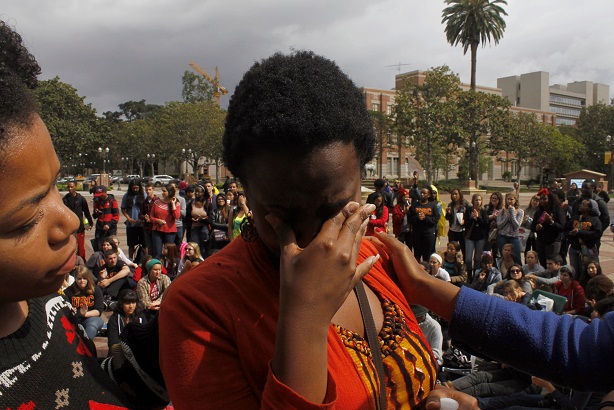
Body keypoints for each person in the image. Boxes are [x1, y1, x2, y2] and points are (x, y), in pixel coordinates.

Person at [159, 51, 469, 409]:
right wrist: (304, 317)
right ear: (245, 189)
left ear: (361, 179)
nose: (314, 241)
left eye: (335, 212)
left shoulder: (374, 257)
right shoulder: (200, 308)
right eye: (282, 217)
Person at [0, 20, 167, 408]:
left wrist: (151, 360)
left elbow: (90, 387)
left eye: (56, 186)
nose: (70, 221)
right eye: (25, 221)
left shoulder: (49, 303)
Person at [63, 266, 104, 340]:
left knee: (95, 322)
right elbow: (64, 309)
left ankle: (86, 345)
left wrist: (85, 314)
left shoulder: (96, 290)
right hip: (73, 319)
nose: (82, 281)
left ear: (88, 278)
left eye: (84, 278)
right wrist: (71, 311)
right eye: (79, 278)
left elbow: (99, 310)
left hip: (89, 318)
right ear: (75, 278)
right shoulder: (68, 291)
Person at [567, 198, 602, 281]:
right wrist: (570, 233)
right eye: (581, 204)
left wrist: (580, 232)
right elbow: (566, 229)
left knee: (586, 273)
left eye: (584, 205)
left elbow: (597, 234)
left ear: (589, 208)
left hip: (588, 250)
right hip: (574, 249)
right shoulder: (575, 218)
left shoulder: (595, 220)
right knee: (574, 273)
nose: (580, 206)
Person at [530, 188, 565, 269]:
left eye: (544, 199)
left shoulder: (557, 210)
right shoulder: (539, 211)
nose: (542, 201)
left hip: (553, 242)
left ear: (550, 199)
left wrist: (551, 222)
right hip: (541, 241)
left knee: (552, 264)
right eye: (541, 199)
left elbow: (562, 227)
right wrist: (536, 227)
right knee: (543, 264)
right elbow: (532, 227)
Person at [106, 288, 147, 353]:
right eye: (127, 303)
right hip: (119, 354)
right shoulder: (114, 319)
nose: (131, 306)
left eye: (133, 302)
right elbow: (112, 344)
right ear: (121, 304)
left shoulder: (140, 317)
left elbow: (146, 337)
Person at [62, 180, 93, 260]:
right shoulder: (65, 199)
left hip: (80, 227)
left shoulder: (81, 199)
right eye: (68, 187)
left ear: (75, 187)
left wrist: (90, 223)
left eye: (71, 187)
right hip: (69, 228)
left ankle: (82, 262)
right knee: (70, 247)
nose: (69, 188)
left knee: (81, 247)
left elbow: (86, 212)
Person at [149, 183, 180, 258]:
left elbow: (177, 216)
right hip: (157, 230)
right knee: (158, 252)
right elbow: (151, 217)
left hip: (170, 231)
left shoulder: (176, 203)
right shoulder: (156, 202)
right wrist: (157, 221)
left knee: (169, 252)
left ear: (170, 192)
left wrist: (173, 205)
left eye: (164, 191)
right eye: (162, 191)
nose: (162, 193)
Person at [410, 186, 439, 262]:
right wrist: (417, 218)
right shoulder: (414, 205)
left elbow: (435, 220)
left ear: (429, 195)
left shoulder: (433, 206)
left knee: (427, 256)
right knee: (417, 256)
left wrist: (425, 218)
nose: (422, 194)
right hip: (417, 234)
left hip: (428, 234)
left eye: (424, 193)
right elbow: (410, 219)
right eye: (421, 192)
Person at [464, 193, 488, 281]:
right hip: (470, 237)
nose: (478, 202)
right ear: (473, 201)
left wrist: (478, 218)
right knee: (468, 259)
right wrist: (472, 218)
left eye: (479, 200)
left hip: (480, 238)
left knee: (477, 259)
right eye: (476, 200)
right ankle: (469, 276)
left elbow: (485, 224)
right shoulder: (469, 210)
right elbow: (465, 224)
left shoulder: (484, 211)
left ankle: (476, 276)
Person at [120, 178, 145, 260]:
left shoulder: (144, 195)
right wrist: (129, 218)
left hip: (142, 224)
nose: (135, 190)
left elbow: (148, 209)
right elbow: (123, 209)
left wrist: (142, 219)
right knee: (131, 244)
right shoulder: (126, 196)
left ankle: (144, 259)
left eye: (136, 188)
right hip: (131, 224)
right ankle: (130, 259)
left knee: (144, 244)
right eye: (133, 188)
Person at [496, 192, 524, 262]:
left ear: (515, 200)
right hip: (502, 236)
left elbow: (516, 226)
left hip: (514, 236)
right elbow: (499, 225)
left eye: (511, 199)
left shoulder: (520, 211)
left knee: (517, 257)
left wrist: (512, 213)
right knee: (503, 257)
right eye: (508, 199)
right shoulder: (501, 211)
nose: (509, 201)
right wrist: (508, 215)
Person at [92, 185, 120, 251]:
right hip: (100, 228)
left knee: (110, 247)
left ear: (105, 192)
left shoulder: (112, 201)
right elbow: (94, 216)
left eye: (101, 194)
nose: (100, 196)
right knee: (99, 247)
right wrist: (96, 212)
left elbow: (116, 216)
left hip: (110, 229)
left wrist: (109, 224)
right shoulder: (97, 201)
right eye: (99, 195)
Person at [446, 188, 468, 253]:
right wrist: (448, 213)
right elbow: (447, 218)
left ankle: (464, 262)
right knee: (452, 250)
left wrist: (464, 221)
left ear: (460, 195)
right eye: (452, 194)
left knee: (464, 250)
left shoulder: (466, 205)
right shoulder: (451, 205)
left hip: (462, 231)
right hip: (452, 231)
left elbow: (469, 218)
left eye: (456, 194)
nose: (454, 196)